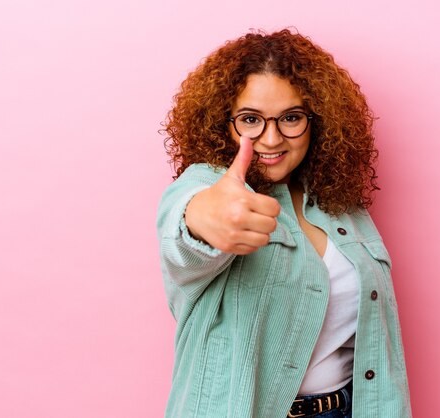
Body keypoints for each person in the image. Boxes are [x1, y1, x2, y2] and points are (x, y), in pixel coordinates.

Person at [157, 29, 411, 418]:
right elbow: (185, 227)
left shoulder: (342, 207)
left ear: (317, 120)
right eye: (250, 119)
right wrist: (207, 219)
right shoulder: (207, 185)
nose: (271, 138)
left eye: (291, 117)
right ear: (223, 123)